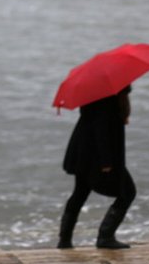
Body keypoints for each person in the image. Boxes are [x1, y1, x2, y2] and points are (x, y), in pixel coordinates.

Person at [58, 85, 136, 249]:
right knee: (127, 192)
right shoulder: (107, 96)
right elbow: (100, 128)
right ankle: (105, 237)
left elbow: (97, 121)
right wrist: (106, 162)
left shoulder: (94, 93)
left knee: (80, 193)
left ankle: (64, 241)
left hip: (83, 151)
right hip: (97, 155)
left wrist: (121, 116)